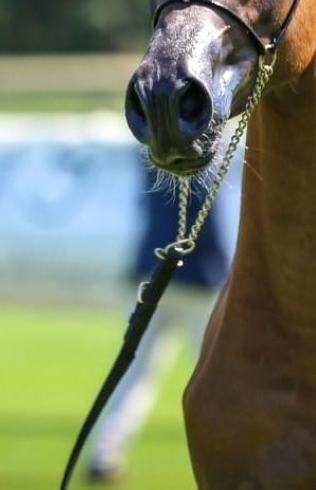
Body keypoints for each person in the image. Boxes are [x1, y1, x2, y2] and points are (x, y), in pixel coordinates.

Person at [85, 168, 232, 483]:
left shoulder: (153, 145)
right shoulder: (206, 148)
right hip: (198, 280)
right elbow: (212, 221)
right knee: (217, 378)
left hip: (151, 269)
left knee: (135, 374)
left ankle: (104, 453)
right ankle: (233, 453)